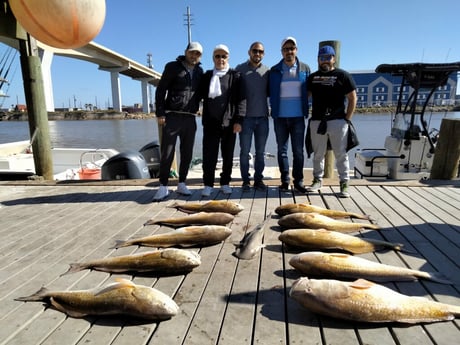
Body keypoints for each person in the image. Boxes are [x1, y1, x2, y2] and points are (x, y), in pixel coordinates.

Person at [152, 42, 204, 201]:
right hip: (172, 116)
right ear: (186, 52)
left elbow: (200, 92)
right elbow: (161, 90)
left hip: (190, 118)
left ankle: (182, 183)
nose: (194, 56)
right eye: (192, 52)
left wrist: (200, 106)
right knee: (167, 152)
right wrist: (160, 112)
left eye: (197, 54)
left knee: (187, 152)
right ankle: (163, 186)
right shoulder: (173, 67)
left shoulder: (200, 71)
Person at [306, 45, 357, 198]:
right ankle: (317, 180)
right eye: (322, 58)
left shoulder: (343, 75)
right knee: (318, 154)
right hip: (317, 121)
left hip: (338, 121)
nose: (325, 61)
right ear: (318, 60)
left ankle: (344, 183)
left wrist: (347, 119)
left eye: (328, 57)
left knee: (341, 154)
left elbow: (352, 98)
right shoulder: (313, 77)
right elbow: (304, 97)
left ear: (334, 59)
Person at [198, 44, 243, 197]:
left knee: (228, 156)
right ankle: (208, 184)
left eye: (223, 56)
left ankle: (225, 183)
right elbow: (196, 95)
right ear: (213, 58)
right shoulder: (207, 76)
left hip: (229, 123)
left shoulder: (235, 76)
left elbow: (241, 101)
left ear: (228, 57)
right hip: (210, 123)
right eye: (217, 56)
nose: (220, 59)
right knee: (209, 156)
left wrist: (239, 120)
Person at [269, 37, 310, 193]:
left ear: (296, 50)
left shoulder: (305, 68)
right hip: (280, 117)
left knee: (298, 151)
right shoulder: (274, 70)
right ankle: (285, 180)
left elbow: (311, 90)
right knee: (282, 150)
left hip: (298, 117)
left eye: (292, 48)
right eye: (286, 49)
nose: (289, 51)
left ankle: (298, 181)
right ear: (282, 52)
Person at [235, 42, 270, 192]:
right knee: (244, 152)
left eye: (260, 51)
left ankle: (258, 180)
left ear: (263, 54)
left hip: (263, 118)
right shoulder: (239, 69)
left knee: (260, 153)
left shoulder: (268, 71)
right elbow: (234, 94)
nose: (257, 54)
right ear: (249, 52)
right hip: (246, 119)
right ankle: (245, 181)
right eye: (255, 51)